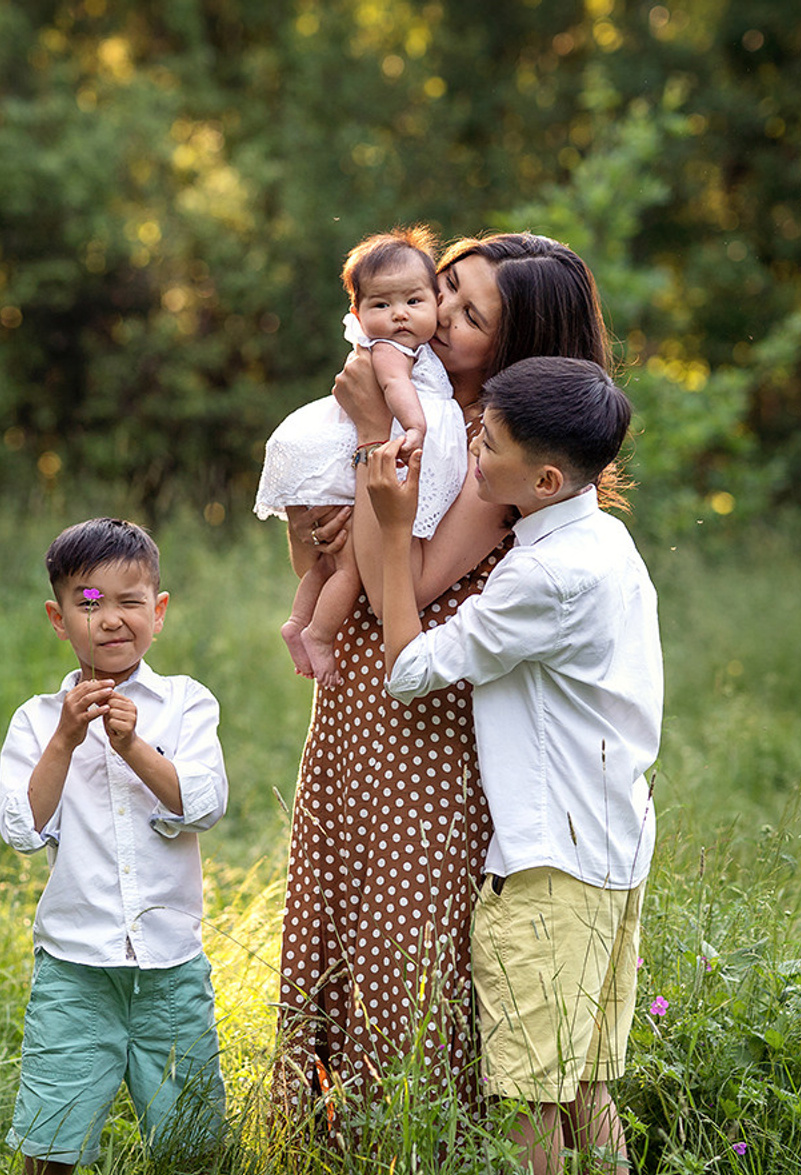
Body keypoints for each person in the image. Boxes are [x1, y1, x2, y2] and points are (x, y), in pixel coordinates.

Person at [271, 233, 614, 1128]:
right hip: (356, 693)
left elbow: (413, 581)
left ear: (519, 345)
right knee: (342, 902)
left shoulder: (497, 452)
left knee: (403, 932)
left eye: (472, 315)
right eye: (444, 291)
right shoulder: (415, 393)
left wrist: (374, 439)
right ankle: (329, 1149)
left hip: (424, 711)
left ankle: (414, 1156)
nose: (441, 317)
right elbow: (325, 552)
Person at [364, 356, 659, 1175]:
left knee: (526, 1099)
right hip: (609, 850)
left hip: (548, 870)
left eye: (487, 444)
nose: (472, 453)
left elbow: (409, 670)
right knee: (583, 1090)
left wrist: (392, 528)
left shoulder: (544, 577)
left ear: (546, 481)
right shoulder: (604, 543)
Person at [0, 518, 230, 1175]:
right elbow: (21, 827)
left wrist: (130, 744)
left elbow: (204, 803)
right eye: (89, 602)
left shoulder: (186, 704)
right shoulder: (37, 721)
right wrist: (68, 739)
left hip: (169, 965)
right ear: (59, 617)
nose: (112, 618)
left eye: (131, 601)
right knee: (51, 1135)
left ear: (159, 611)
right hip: (76, 967)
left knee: (192, 1137)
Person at [254, 227, 471, 685]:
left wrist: (377, 431)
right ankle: (313, 631)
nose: (402, 314)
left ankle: (301, 623)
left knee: (339, 564)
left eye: (415, 300)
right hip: (363, 671)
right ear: (357, 312)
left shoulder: (494, 441)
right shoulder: (394, 352)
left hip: (396, 671)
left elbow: (385, 590)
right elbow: (394, 385)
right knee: (343, 562)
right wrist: (413, 427)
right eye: (447, 289)